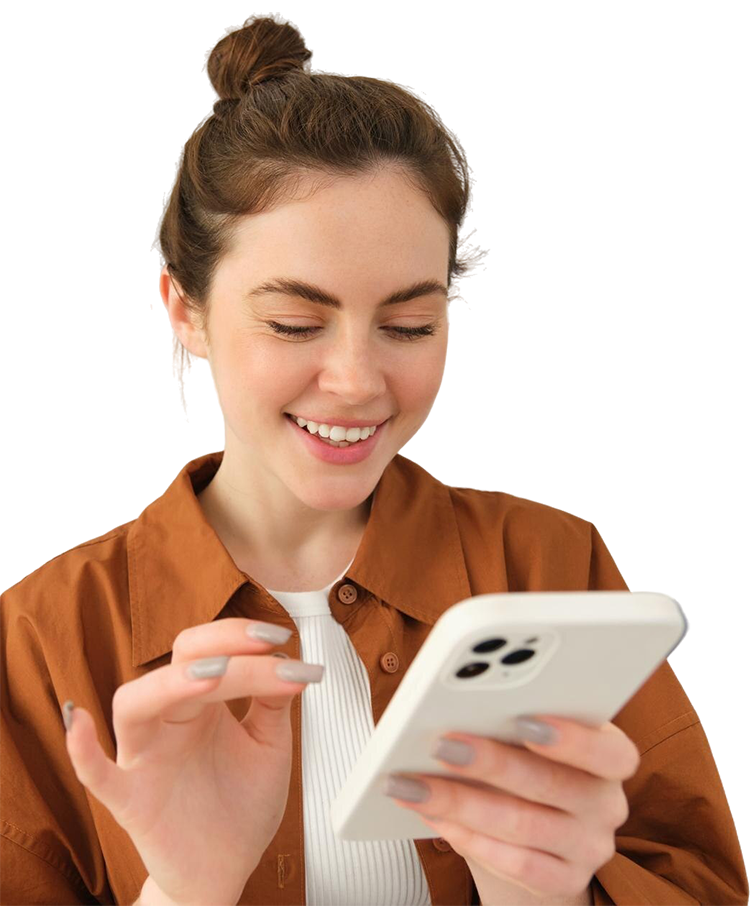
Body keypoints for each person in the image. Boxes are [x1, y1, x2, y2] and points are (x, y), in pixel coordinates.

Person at [1, 16, 747, 906]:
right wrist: (185, 890)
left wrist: (539, 892)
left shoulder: (552, 572)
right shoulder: (47, 636)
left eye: (408, 326)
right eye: (294, 323)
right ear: (185, 311)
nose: (357, 381)